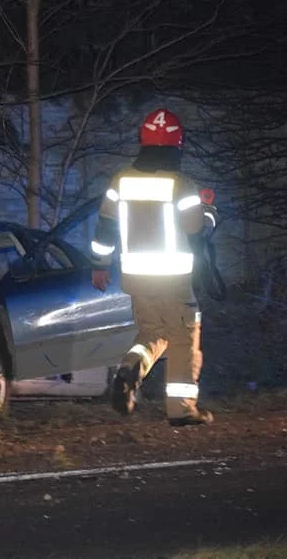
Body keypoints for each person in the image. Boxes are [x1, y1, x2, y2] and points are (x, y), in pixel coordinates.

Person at [90, 108, 218, 426]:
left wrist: (99, 266)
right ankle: (182, 409)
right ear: (178, 144)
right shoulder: (181, 184)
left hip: (136, 277)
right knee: (184, 339)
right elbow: (195, 229)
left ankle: (128, 370)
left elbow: (104, 228)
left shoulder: (121, 180)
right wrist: (210, 211)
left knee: (153, 333)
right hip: (173, 279)